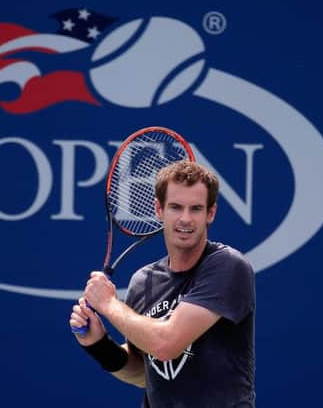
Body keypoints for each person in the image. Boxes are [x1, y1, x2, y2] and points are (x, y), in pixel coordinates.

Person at [69, 160, 256, 407]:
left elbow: (165, 345)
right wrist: (99, 345)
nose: (185, 219)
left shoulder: (228, 266)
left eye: (196, 209)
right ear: (159, 210)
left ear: (211, 213)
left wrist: (108, 304)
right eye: (176, 207)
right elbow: (143, 373)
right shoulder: (142, 282)